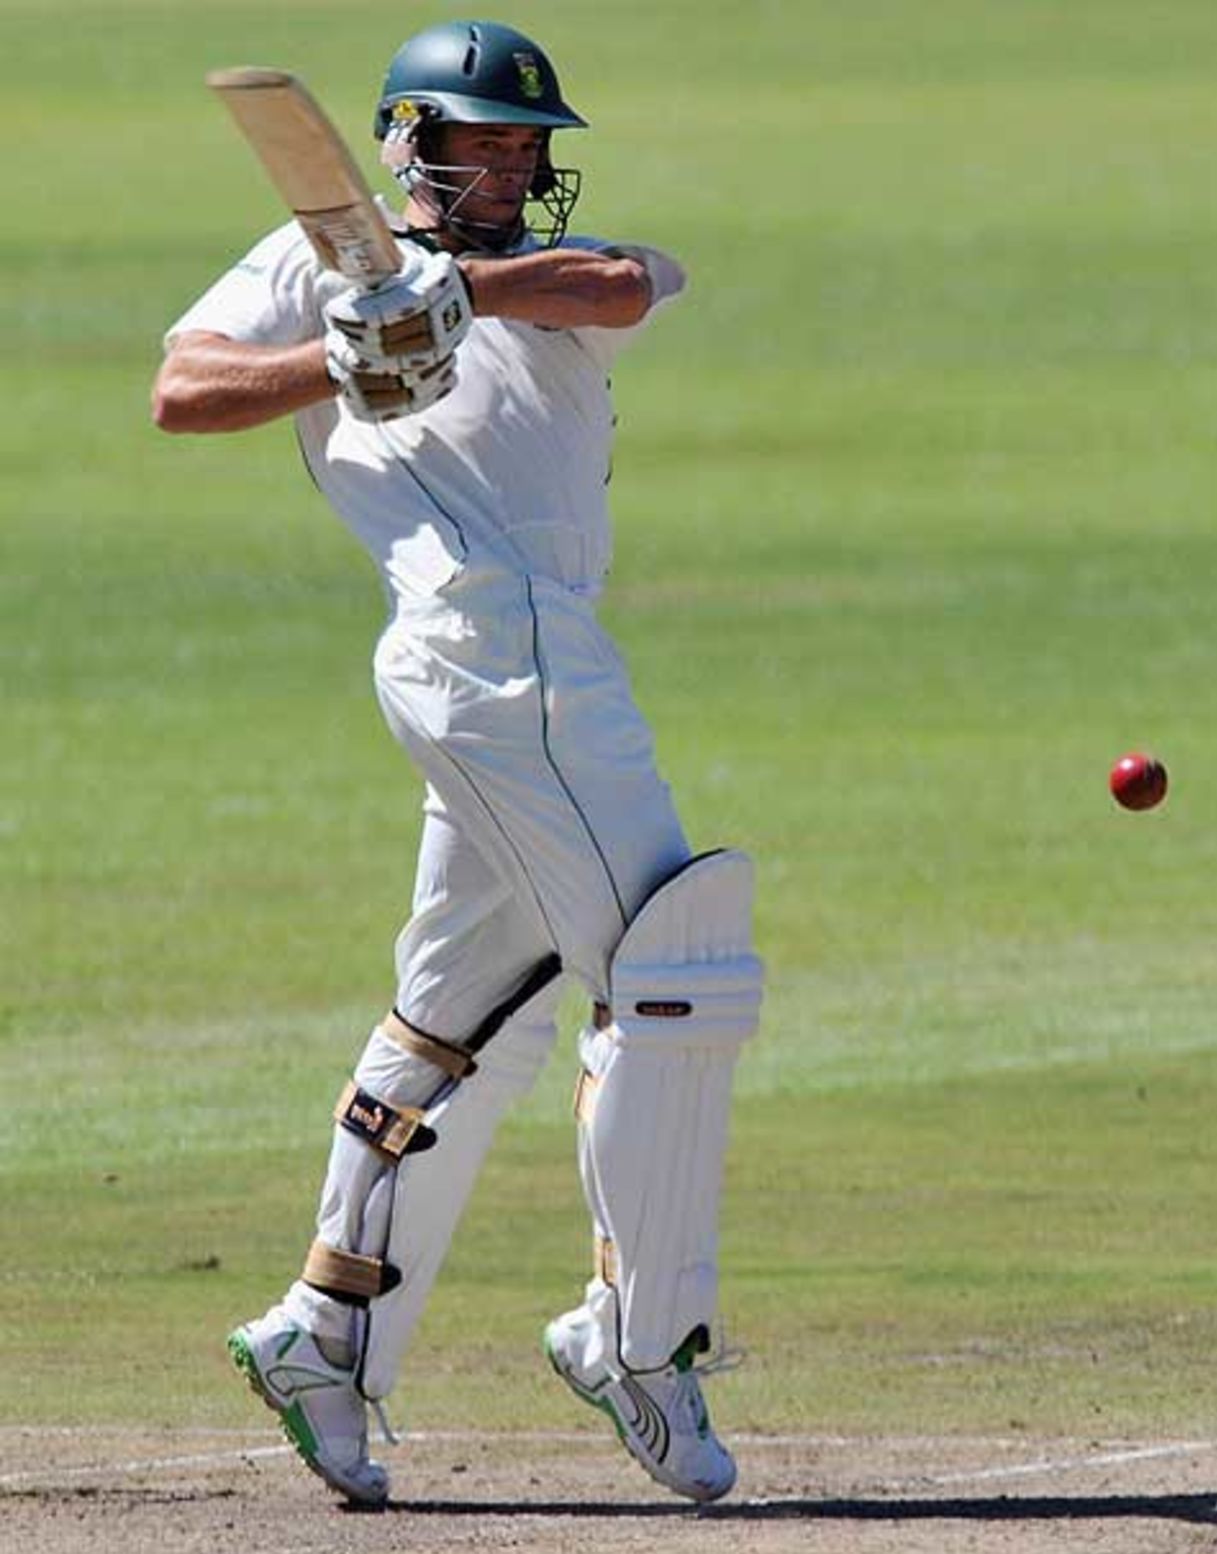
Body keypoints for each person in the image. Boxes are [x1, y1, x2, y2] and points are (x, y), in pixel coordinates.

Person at [152, 18, 763, 1511]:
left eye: (525, 146)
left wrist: (454, 294)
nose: (507, 167)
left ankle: (325, 1329)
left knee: (463, 1024)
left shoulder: (554, 273)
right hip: (488, 646)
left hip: (531, 661)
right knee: (674, 968)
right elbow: (183, 387)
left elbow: (618, 282)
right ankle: (637, 1337)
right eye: (478, 140)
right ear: (407, 143)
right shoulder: (310, 263)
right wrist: (343, 353)